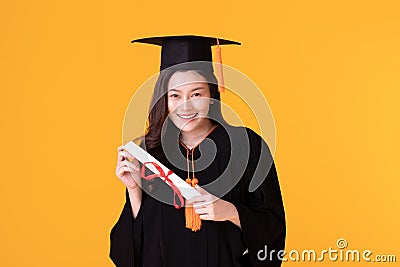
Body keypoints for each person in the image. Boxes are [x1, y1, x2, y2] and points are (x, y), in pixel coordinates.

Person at [110, 35, 286, 267]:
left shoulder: (247, 146)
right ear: (164, 99)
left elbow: (272, 229)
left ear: (212, 95)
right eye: (175, 96)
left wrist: (230, 211)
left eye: (196, 94)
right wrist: (134, 191)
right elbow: (133, 250)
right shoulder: (150, 153)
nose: (186, 106)